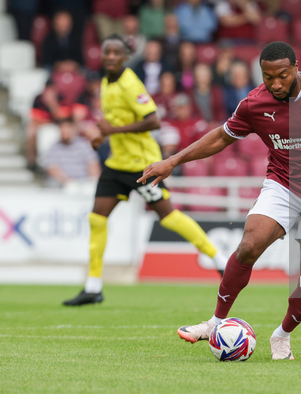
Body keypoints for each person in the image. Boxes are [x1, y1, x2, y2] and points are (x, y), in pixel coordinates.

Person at [137, 41, 301, 360]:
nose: (275, 84)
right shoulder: (254, 103)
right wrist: (173, 161)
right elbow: (222, 137)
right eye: (268, 77)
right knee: (249, 245)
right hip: (282, 185)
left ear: (296, 68)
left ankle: (282, 336)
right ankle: (216, 321)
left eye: (282, 76)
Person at [62, 34, 227, 306]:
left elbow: (153, 120)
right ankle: (93, 286)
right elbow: (115, 120)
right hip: (117, 164)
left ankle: (219, 258)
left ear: (125, 57)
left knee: (169, 216)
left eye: (117, 53)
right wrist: (101, 136)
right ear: (101, 56)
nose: (111, 57)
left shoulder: (130, 83)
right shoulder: (105, 82)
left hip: (142, 165)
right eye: (107, 52)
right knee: (96, 219)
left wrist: (112, 130)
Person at [44, 118, 101, 187]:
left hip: (84, 183)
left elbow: (93, 165)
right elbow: (52, 168)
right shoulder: (54, 148)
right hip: (64, 184)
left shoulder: (84, 145)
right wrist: (67, 182)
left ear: (73, 130)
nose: (65, 131)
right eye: (63, 129)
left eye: (68, 128)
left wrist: (92, 181)